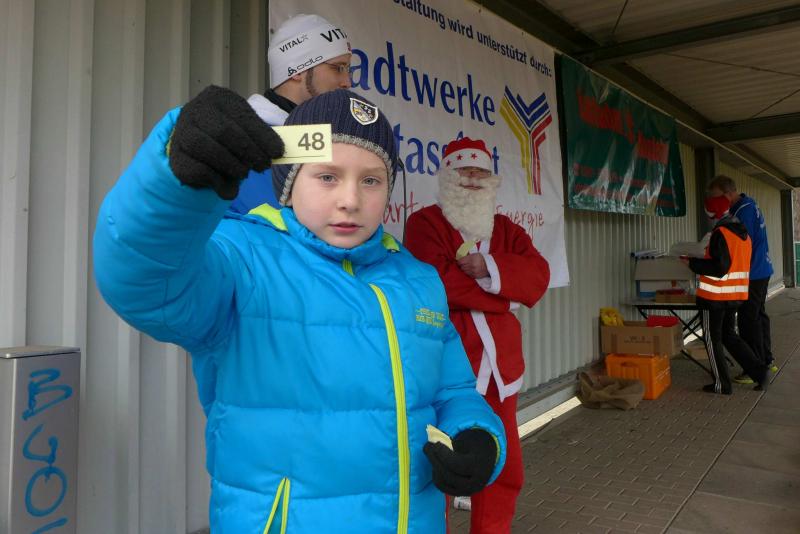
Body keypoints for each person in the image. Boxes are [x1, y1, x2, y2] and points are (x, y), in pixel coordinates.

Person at [93, 87, 508, 533]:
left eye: (371, 180)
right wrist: (176, 186)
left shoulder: (418, 280)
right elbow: (145, 282)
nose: (350, 200)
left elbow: (454, 391)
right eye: (328, 176)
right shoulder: (242, 258)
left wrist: (478, 435)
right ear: (289, 183)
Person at [405, 137, 550, 533]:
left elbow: (538, 277)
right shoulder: (424, 224)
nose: (472, 178)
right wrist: (505, 297)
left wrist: (488, 267)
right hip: (445, 365)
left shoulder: (508, 231)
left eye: (480, 172)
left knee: (503, 463)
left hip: (500, 367)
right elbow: (437, 283)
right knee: (437, 460)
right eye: (463, 171)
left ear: (492, 179)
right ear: (446, 176)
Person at [230, 13, 353, 214]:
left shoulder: (324, 138)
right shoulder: (240, 139)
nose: (347, 82)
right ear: (297, 70)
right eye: (337, 68)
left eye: (348, 69)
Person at [683, 195, 769, 394]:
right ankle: (760, 371)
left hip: (714, 297)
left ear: (711, 214)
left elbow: (719, 267)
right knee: (729, 336)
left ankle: (721, 384)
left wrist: (691, 263)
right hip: (734, 295)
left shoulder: (720, 233)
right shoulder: (742, 233)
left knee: (712, 338)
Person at [706, 175, 777, 382]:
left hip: (753, 272)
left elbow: (738, 244)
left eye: (717, 197)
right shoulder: (748, 204)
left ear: (728, 193)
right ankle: (766, 360)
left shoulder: (742, 212)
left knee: (748, 321)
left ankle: (755, 367)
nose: (714, 201)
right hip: (762, 269)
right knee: (758, 316)